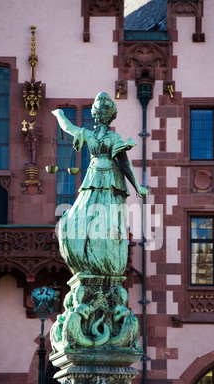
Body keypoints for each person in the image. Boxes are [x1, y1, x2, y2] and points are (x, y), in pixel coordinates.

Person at [52, 92, 149, 276]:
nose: (102, 115)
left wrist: (59, 114)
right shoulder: (102, 136)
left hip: (105, 179)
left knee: (102, 220)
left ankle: (101, 257)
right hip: (101, 179)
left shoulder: (101, 136)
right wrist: (138, 187)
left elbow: (68, 127)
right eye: (101, 111)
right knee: (94, 218)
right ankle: (95, 255)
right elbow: (125, 165)